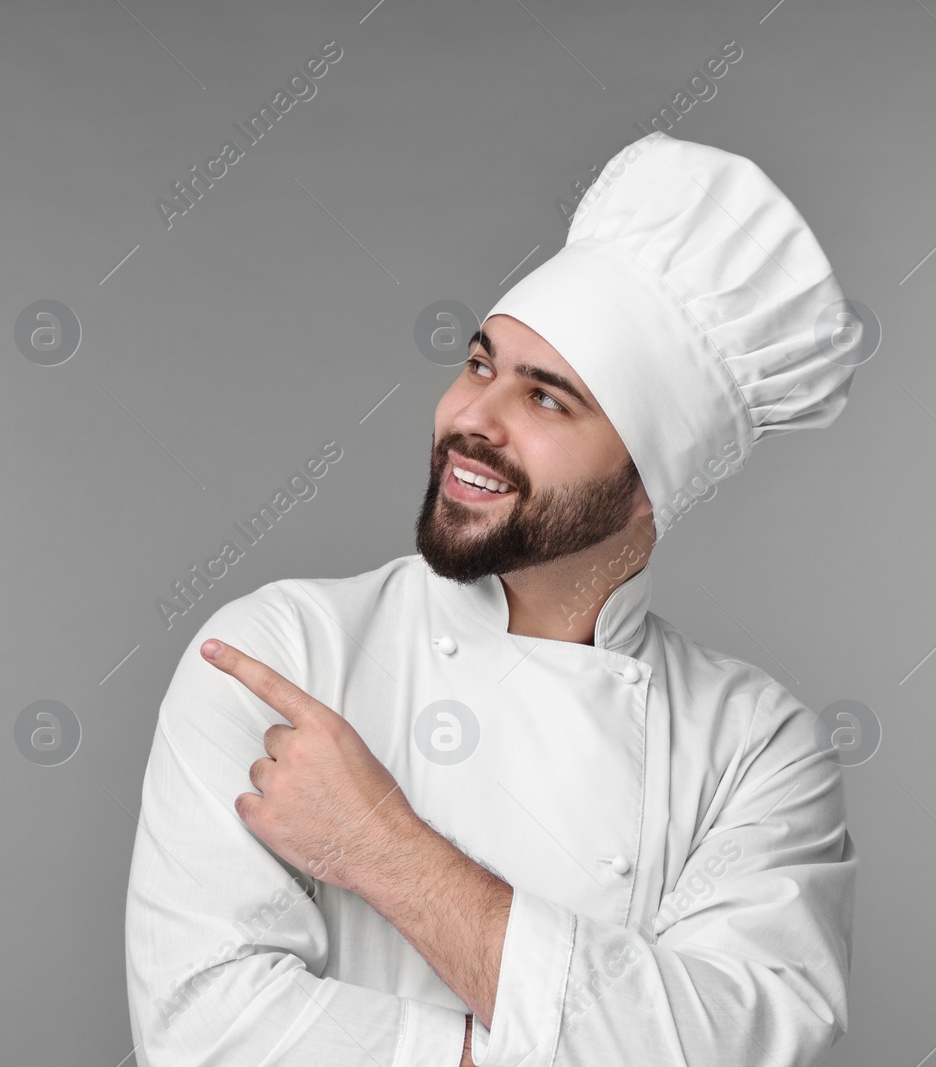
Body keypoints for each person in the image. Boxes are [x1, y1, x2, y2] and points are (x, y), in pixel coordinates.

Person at [124, 131, 862, 1067]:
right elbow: (204, 1032)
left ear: (650, 484)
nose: (472, 418)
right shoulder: (282, 652)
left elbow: (734, 1044)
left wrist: (384, 849)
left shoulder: (755, 747)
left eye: (547, 400)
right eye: (481, 365)